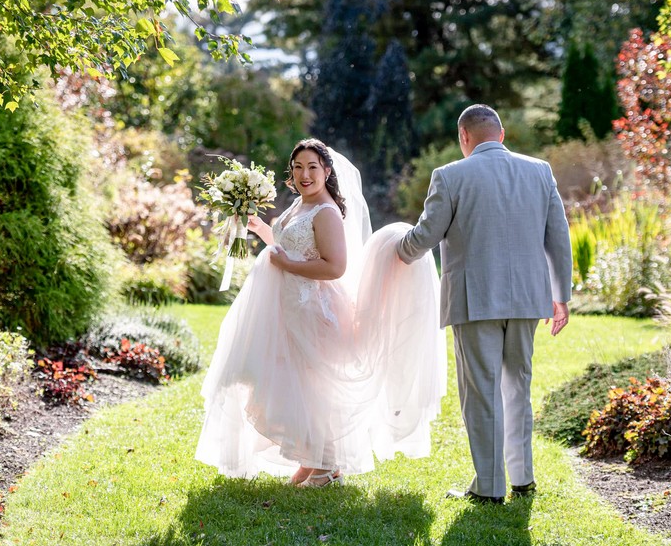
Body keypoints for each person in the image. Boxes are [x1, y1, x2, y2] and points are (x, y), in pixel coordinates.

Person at [195, 139, 446, 487]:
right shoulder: (299, 204)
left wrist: (286, 264)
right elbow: (290, 245)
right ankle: (312, 460)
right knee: (294, 383)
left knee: (314, 386)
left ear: (327, 172)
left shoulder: (326, 212)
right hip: (289, 304)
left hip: (312, 307)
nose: (304, 174)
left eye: (312, 167)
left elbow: (334, 267)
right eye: (298, 167)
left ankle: (327, 465)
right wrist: (259, 229)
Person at [397, 104, 572, 504]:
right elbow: (558, 237)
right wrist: (561, 294)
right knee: (518, 387)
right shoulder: (540, 170)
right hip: (529, 299)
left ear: (464, 137)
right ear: (502, 133)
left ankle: (489, 486)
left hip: (475, 299)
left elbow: (425, 237)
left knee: (481, 393)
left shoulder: (450, 175)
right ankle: (523, 478)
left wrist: (397, 251)